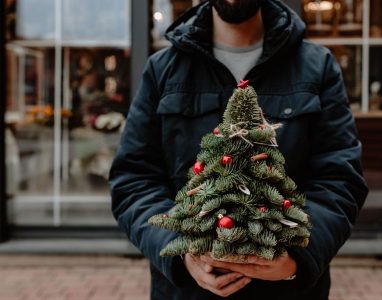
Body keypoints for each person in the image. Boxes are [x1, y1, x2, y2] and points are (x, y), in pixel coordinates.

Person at [109, 0, 368, 298]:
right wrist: (181, 253)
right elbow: (133, 179)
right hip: (188, 291)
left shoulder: (316, 66)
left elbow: (339, 179)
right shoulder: (163, 70)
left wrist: (297, 257)